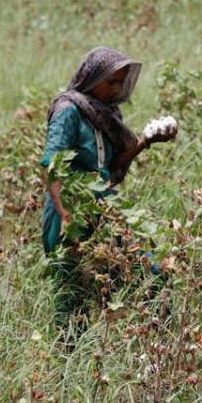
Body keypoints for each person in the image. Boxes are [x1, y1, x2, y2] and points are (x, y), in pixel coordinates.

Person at [39, 46, 176, 336]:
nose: (116, 89)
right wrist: (65, 216)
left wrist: (146, 142)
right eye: (111, 82)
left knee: (151, 273)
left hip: (104, 207)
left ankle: (156, 353)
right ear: (92, 78)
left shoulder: (105, 115)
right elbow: (52, 165)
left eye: (120, 82)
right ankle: (68, 362)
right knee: (72, 297)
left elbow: (111, 168)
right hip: (71, 211)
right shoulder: (69, 111)